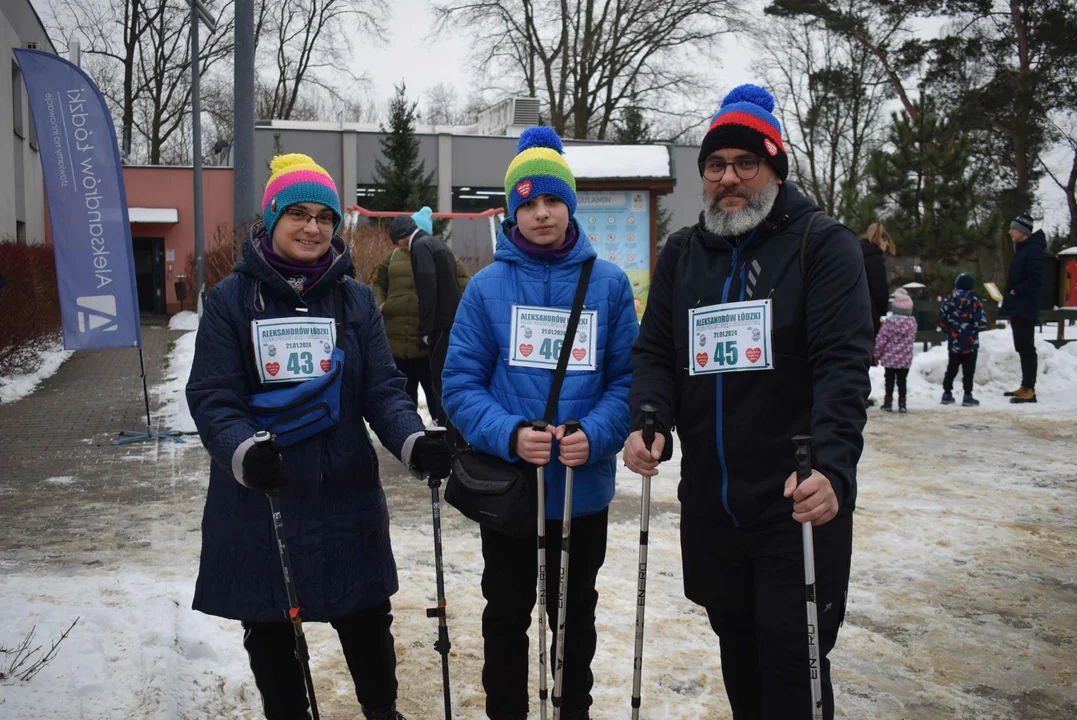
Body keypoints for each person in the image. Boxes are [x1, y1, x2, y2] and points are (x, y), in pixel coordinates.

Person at [623, 84, 873, 720]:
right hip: (712, 506)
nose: (728, 178)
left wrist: (835, 468)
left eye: (744, 163)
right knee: (737, 654)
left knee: (793, 666)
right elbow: (654, 353)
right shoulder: (682, 253)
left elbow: (843, 368)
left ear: (774, 167)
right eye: (715, 165)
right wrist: (650, 419)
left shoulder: (823, 245)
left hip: (794, 505)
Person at [185, 154, 454, 720]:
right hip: (264, 494)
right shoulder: (232, 302)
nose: (312, 228)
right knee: (271, 625)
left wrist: (413, 441)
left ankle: (382, 711)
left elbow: (381, 389)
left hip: (344, 490)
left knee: (365, 616)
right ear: (272, 219)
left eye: (325, 218)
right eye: (299, 214)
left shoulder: (353, 299)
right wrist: (242, 451)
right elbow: (213, 396)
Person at [441, 126, 638, 720]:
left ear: (569, 204)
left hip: (582, 493)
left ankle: (571, 710)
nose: (541, 213)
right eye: (527, 202)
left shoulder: (608, 284)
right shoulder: (485, 288)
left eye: (551, 200)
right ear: (511, 211)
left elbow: (628, 381)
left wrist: (596, 434)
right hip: (511, 494)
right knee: (505, 618)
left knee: (574, 620)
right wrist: (507, 433)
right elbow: (459, 385)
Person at [374, 206, 469, 423]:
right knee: (404, 392)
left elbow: (462, 286)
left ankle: (440, 427)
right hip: (398, 339)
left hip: (427, 337)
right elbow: (379, 282)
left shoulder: (429, 252)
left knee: (435, 387)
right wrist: (380, 303)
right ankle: (409, 431)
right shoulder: (393, 258)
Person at [999, 213, 1045, 403]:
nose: (1010, 232)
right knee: (1022, 347)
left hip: (1025, 306)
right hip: (1018, 306)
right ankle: (1025, 385)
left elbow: (1036, 279)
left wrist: (1017, 291)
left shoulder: (1033, 251)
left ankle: (1030, 389)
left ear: (1023, 231)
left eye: (1013, 229)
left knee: (1027, 348)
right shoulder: (1023, 249)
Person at [938, 273, 988, 406]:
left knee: (952, 368)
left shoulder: (949, 300)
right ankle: (967, 395)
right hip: (970, 343)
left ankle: (947, 393)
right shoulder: (975, 302)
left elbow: (942, 320)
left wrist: (949, 331)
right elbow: (982, 322)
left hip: (954, 342)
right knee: (968, 370)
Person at [859, 223, 892, 407]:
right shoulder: (874, 258)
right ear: (881, 239)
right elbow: (880, 288)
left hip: (851, 308)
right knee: (864, 353)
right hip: (869, 310)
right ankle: (860, 395)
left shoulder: (854, 252)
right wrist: (882, 308)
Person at [873, 293, 918, 412]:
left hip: (890, 359)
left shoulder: (889, 323)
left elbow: (881, 339)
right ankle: (902, 403)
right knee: (902, 381)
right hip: (905, 359)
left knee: (889, 381)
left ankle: (888, 402)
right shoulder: (912, 324)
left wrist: (876, 354)